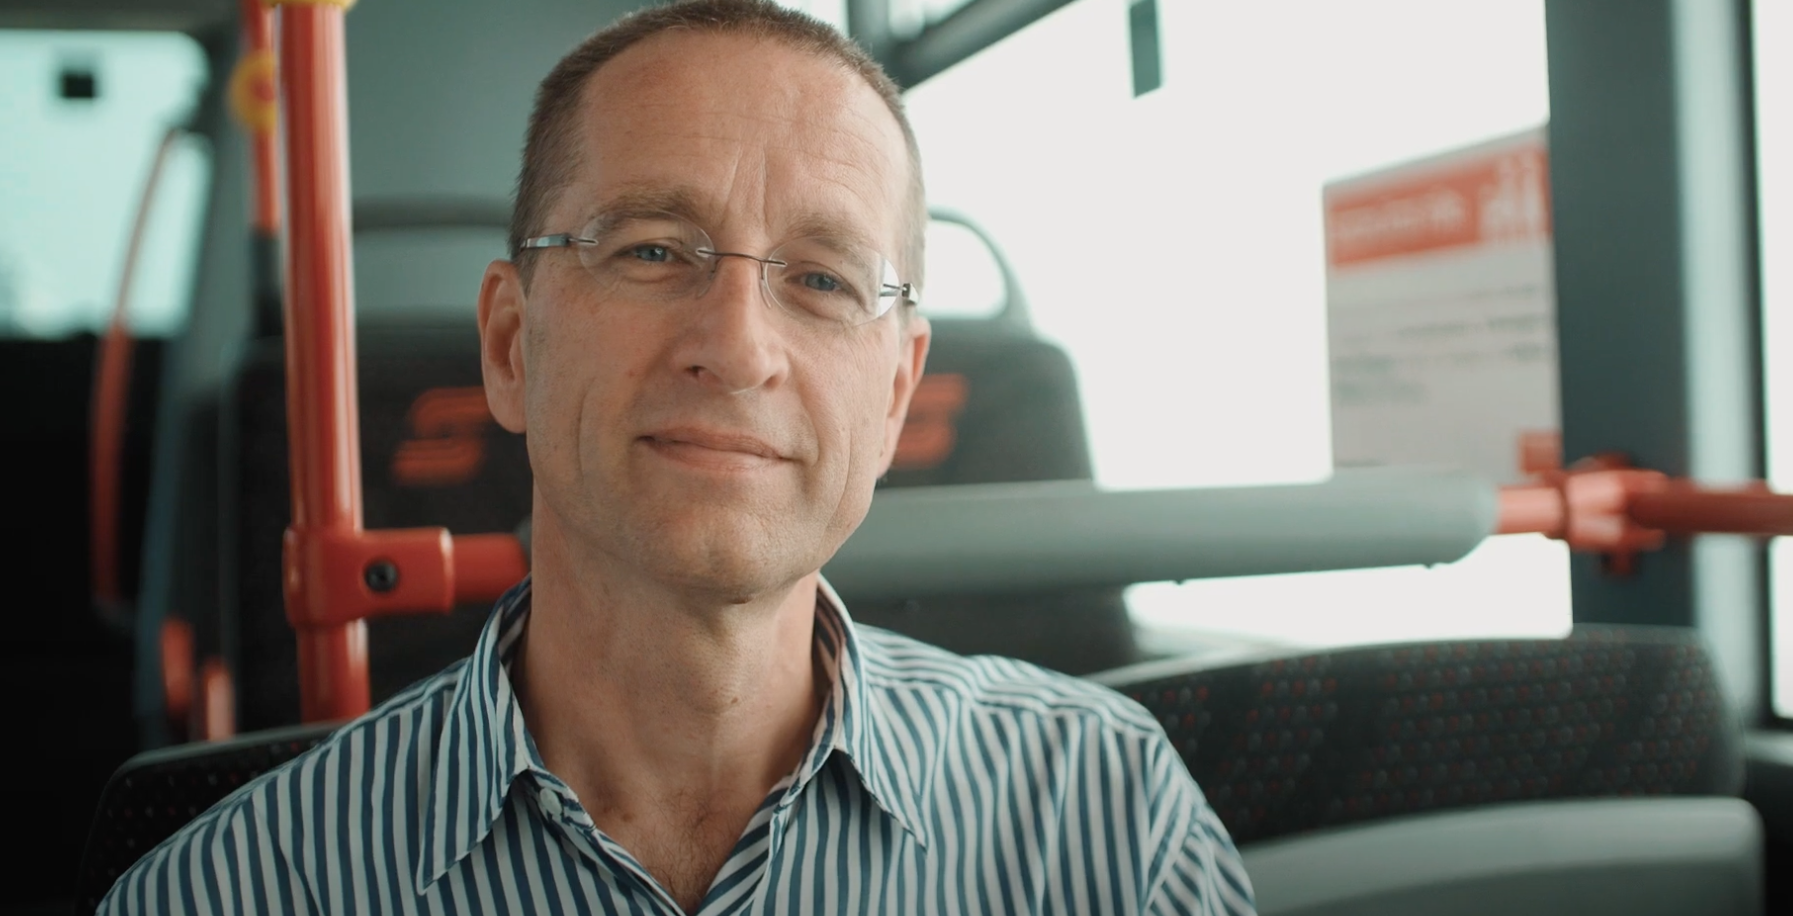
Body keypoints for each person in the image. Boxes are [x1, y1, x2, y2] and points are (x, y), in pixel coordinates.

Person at [101, 1, 1254, 912]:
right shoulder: (238, 887)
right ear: (510, 345)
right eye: (653, 248)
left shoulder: (1108, 821)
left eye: (821, 279)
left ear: (896, 392)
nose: (738, 347)